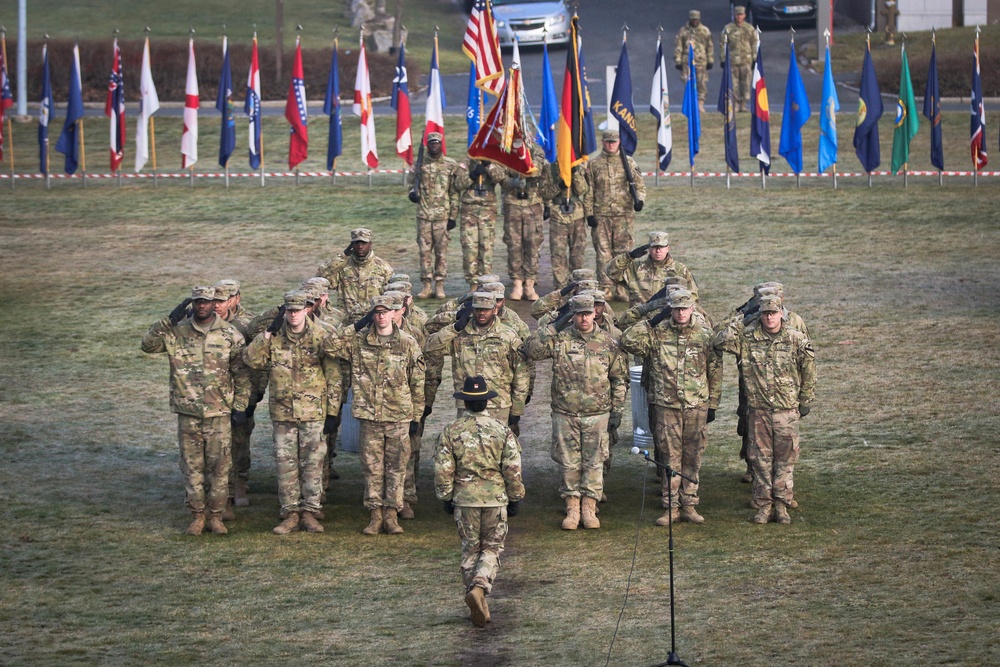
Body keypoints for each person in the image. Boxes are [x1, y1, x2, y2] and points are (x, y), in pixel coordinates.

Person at [141, 285, 251, 536]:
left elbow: (242, 374)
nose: (202, 306)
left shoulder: (229, 334)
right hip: (188, 413)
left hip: (219, 413)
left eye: (207, 301)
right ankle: (197, 515)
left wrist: (240, 407)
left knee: (220, 468)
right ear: (192, 304)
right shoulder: (176, 332)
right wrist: (168, 320)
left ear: (215, 304)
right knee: (192, 468)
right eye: (197, 302)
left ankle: (216, 515)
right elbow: (148, 345)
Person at [323, 294, 425, 535]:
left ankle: (392, 514)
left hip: (398, 416)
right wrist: (356, 325)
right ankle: (375, 514)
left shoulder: (407, 343)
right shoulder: (358, 341)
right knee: (372, 468)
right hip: (370, 417)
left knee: (397, 467)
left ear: (394, 314)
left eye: (385, 312)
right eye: (376, 312)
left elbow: (417, 383)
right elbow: (329, 345)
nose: (380, 316)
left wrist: (416, 418)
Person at [524, 294, 628, 530]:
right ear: (572, 315)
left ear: (595, 314)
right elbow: (533, 350)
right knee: (569, 463)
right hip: (566, 413)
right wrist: (554, 327)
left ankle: (590, 508)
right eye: (578, 314)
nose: (583, 318)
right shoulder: (560, 339)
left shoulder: (608, 342)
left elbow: (619, 379)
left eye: (587, 313)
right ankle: (572, 508)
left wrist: (617, 411)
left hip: (598, 414)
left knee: (594, 462)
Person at [244, 290, 342, 535]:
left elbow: (334, 376)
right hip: (283, 413)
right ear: (284, 312)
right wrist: (266, 335)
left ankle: (310, 511)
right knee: (285, 465)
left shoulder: (321, 335)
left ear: (307, 310)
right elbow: (251, 360)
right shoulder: (274, 337)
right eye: (289, 311)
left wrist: (332, 413)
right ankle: (289, 513)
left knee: (313, 465)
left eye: (298, 310)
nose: (294, 315)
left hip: (314, 413)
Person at [620, 289, 721, 525]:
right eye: (676, 309)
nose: (681, 313)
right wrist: (653, 319)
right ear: (670, 310)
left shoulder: (705, 334)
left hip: (696, 405)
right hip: (666, 406)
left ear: (693, 309)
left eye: (685, 308)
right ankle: (671, 506)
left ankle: (690, 503)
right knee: (669, 458)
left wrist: (713, 403)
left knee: (693, 456)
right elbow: (627, 341)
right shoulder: (656, 332)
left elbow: (715, 371)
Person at [714, 295, 816, 525]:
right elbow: (719, 341)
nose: (769, 317)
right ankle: (764, 505)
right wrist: (741, 318)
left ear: (782, 313)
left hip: (786, 411)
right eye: (765, 313)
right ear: (759, 315)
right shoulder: (747, 338)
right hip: (758, 411)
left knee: (785, 459)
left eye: (773, 313)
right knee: (760, 460)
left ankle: (782, 505)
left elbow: (809, 370)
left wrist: (805, 400)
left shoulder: (796, 339)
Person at [434, 375, 524, 628]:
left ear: (465, 403)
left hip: (465, 500)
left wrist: (446, 496)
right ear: (486, 402)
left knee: (470, 549)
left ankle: (476, 596)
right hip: (495, 499)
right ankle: (481, 588)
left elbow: (443, 469)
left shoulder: (451, 431)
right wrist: (515, 497)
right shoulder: (501, 430)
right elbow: (513, 468)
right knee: (492, 548)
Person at [423, 292, 529, 432]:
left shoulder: (507, 335)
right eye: (478, 309)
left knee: (498, 449)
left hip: (498, 404)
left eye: (486, 309)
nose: (482, 313)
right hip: (466, 403)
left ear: (494, 310)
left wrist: (517, 410)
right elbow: (430, 346)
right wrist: (454, 327)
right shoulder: (460, 334)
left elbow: (521, 373)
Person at [213, 279, 268, 510]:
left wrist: (254, 396)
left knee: (239, 439)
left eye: (223, 299)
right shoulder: (205, 322)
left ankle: (240, 479)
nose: (216, 305)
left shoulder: (247, 324)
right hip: (214, 393)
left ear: (236, 299)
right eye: (214, 300)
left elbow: (260, 363)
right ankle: (217, 486)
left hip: (242, 391)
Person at [583, 130, 646, 302]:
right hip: (601, 215)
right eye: (607, 141)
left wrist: (639, 201)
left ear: (619, 142)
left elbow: (639, 186)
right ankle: (606, 287)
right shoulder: (594, 164)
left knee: (623, 252)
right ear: (602, 142)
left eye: (614, 141)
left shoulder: (629, 163)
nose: (610, 144)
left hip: (623, 215)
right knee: (603, 253)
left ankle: (622, 287)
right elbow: (589, 191)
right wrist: (589, 214)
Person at [407, 132, 460, 299]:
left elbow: (454, 193)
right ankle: (426, 284)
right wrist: (412, 194)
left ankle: (439, 285)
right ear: (427, 145)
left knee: (441, 252)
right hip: (423, 216)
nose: (434, 146)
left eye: (437, 143)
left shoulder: (450, 165)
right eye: (431, 143)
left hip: (442, 216)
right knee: (424, 251)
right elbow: (410, 184)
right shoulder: (420, 165)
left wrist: (453, 216)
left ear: (441, 144)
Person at [500, 144, 548, 301]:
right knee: (514, 245)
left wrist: (522, 164)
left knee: (532, 245)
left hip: (532, 206)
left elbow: (537, 169)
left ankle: (529, 283)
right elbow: (500, 176)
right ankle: (517, 283)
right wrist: (514, 181)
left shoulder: (536, 149)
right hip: (512, 205)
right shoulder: (505, 148)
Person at [452, 158, 507, 291]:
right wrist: (472, 175)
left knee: (486, 248)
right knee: (470, 248)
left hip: (487, 211)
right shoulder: (465, 164)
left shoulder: (493, 163)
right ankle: (473, 283)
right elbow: (458, 185)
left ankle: (486, 281)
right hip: (469, 211)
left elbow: (501, 178)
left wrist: (489, 166)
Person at [317, 228, 395, 322]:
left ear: (370, 244)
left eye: (364, 243)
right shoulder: (342, 266)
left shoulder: (383, 268)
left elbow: (392, 297)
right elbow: (321, 278)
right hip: (346, 322)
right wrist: (343, 256)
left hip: (374, 322)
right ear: (352, 245)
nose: (360, 246)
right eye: (357, 243)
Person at [606, 231, 699, 307]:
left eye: (661, 247)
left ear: (668, 248)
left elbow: (692, 296)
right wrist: (629, 256)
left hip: (667, 320)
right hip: (639, 320)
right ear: (649, 249)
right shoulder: (635, 268)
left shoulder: (679, 269)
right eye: (655, 247)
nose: (658, 250)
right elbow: (610, 272)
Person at [540, 162, 590, 290]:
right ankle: (561, 287)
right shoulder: (550, 169)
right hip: (558, 216)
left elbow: (583, 190)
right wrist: (558, 186)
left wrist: (575, 174)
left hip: (577, 216)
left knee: (577, 254)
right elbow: (544, 192)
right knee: (558, 254)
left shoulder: (579, 167)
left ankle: (577, 285)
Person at [674, 9, 715, 112]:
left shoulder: (705, 30)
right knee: (688, 83)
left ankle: (700, 104)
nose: (694, 21)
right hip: (687, 62)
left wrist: (710, 60)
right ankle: (691, 104)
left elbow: (709, 46)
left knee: (701, 83)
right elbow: (679, 46)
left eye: (696, 19)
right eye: (693, 19)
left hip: (701, 61)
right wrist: (678, 60)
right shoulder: (683, 31)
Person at [722, 6, 757, 112]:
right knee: (733, 83)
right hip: (732, 61)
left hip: (746, 61)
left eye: (741, 15)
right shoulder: (728, 29)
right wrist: (723, 59)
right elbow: (723, 45)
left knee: (745, 83)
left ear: (744, 15)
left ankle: (743, 104)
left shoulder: (750, 29)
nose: (739, 17)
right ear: (734, 15)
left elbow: (754, 44)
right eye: (737, 15)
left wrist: (754, 58)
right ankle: (735, 104)